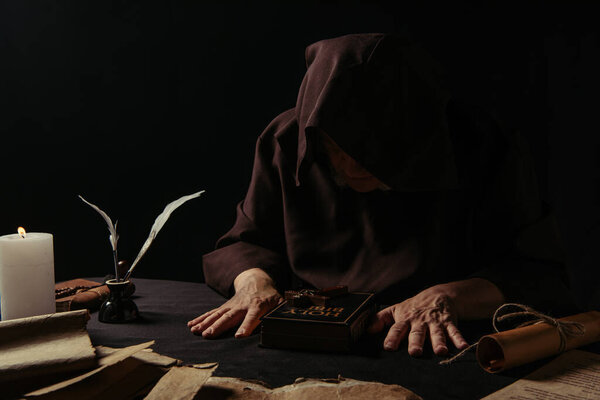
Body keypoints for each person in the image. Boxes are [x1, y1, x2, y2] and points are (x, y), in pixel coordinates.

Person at [188, 33, 573, 356]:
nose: (353, 166)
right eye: (337, 146)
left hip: (437, 340)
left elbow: (538, 272)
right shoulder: (288, 139)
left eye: (375, 149)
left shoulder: (482, 144)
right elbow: (244, 241)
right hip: (311, 337)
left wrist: (448, 296)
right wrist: (253, 283)